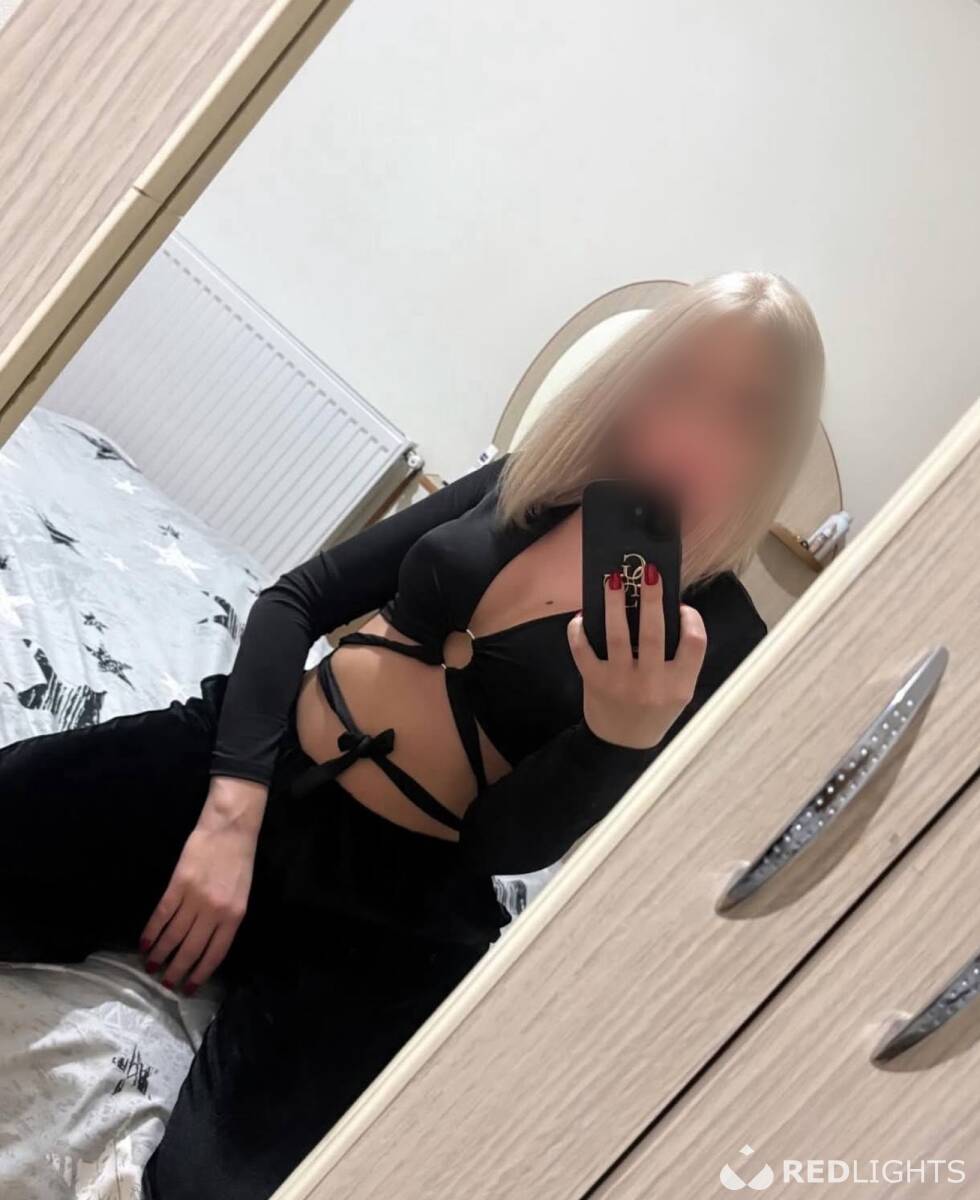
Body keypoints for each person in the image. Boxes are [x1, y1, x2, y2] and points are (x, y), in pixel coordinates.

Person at [0, 271, 823, 1198]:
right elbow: (295, 599)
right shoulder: (537, 478)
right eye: (680, 380)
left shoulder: (723, 636)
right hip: (251, 766)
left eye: (745, 410)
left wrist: (618, 737)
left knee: (222, 1187)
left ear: (776, 444)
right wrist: (231, 812)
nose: (696, 428)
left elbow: (502, 846)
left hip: (393, 913)